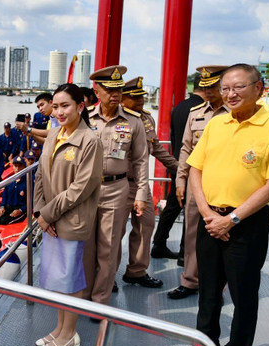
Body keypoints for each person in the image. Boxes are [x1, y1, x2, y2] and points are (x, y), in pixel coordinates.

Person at [170, 64, 269, 346]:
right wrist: (208, 213)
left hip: (246, 224)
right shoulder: (216, 123)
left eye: (238, 87)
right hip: (210, 219)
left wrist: (231, 219)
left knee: (243, 293)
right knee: (207, 289)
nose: (230, 94)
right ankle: (205, 345)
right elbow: (195, 167)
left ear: (259, 88)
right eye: (226, 88)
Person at [34, 83, 103, 346]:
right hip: (50, 219)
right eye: (56, 106)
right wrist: (40, 212)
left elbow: (81, 188)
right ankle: (61, 329)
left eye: (66, 106)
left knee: (70, 280)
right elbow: (40, 174)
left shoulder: (90, 141)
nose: (59, 111)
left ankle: (69, 333)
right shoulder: (54, 135)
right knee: (56, 279)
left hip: (72, 220)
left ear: (80, 107)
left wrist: (47, 214)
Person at [83, 65, 151, 309]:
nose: (116, 94)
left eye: (119, 89)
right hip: (86, 191)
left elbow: (142, 161)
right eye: (110, 89)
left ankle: (99, 301)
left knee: (109, 249)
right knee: (86, 248)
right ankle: (85, 295)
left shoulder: (133, 122)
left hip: (116, 189)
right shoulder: (84, 118)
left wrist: (141, 195)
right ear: (97, 90)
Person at [168, 65, 230, 300]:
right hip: (197, 182)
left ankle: (217, 285)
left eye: (214, 87)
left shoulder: (233, 114)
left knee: (222, 234)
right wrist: (180, 180)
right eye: (206, 88)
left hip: (224, 183)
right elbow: (185, 148)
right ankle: (191, 280)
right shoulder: (196, 113)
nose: (210, 92)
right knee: (192, 231)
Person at [119, 76, 177, 289]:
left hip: (141, 184)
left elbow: (156, 149)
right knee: (114, 233)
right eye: (135, 98)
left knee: (145, 226)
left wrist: (179, 168)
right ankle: (105, 275)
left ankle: (136, 271)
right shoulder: (116, 120)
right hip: (118, 184)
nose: (141, 101)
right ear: (122, 99)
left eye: (142, 97)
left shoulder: (146, 119)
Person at [151, 76, 206, 263]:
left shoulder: (179, 107)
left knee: (173, 205)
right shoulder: (204, 110)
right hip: (196, 168)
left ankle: (159, 242)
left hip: (178, 164)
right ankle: (185, 251)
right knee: (192, 210)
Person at [0, 156, 28, 225]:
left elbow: (31, 201)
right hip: (8, 207)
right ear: (12, 167)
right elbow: (5, 195)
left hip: (20, 209)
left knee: (4, 221)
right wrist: (2, 207)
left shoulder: (28, 181)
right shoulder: (9, 180)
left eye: (20, 166)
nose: (17, 169)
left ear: (24, 167)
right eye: (15, 166)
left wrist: (21, 210)